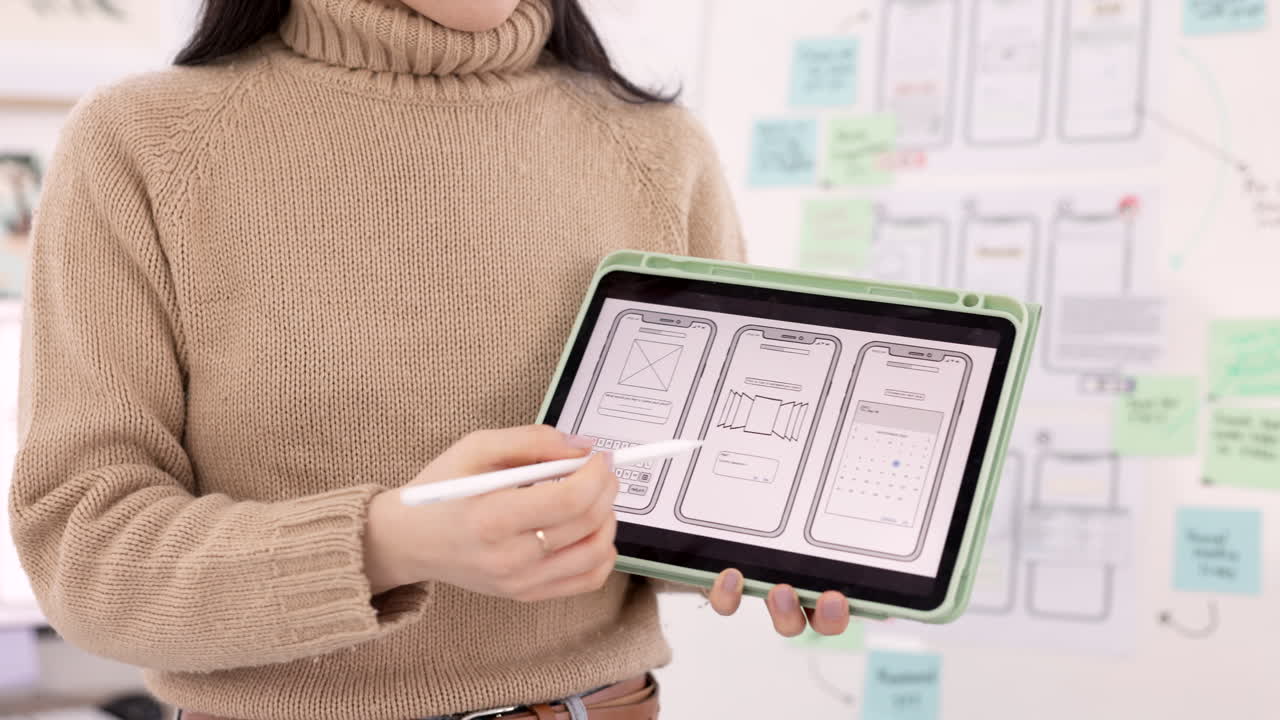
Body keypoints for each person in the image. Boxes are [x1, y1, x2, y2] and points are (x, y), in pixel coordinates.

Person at [7, 0, 854, 718]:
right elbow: (85, 555)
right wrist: (386, 543)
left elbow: (682, 498)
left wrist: (771, 540)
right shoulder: (142, 145)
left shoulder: (663, 152)